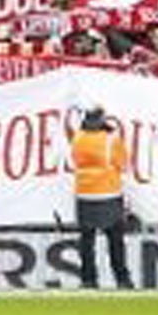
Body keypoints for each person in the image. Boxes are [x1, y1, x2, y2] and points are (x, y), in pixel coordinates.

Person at [69, 105, 131, 290]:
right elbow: (122, 163)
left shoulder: (77, 138)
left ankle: (88, 279)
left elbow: (74, 160)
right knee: (115, 240)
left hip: (84, 193)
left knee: (86, 241)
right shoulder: (111, 139)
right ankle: (122, 279)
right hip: (108, 193)